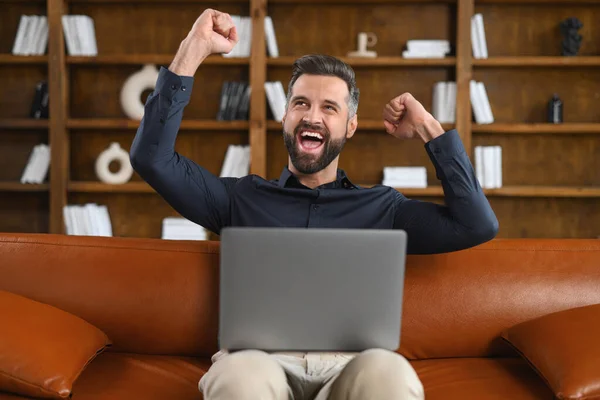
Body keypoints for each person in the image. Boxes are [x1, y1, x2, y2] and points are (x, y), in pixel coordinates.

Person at [130, 9, 498, 400]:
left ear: (350, 126)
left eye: (329, 108)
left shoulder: (384, 207)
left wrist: (428, 128)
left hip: (350, 366)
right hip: (259, 362)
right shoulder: (239, 198)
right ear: (286, 116)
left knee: (391, 372)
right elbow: (152, 159)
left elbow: (477, 224)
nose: (312, 116)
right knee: (237, 376)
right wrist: (193, 48)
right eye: (301, 103)